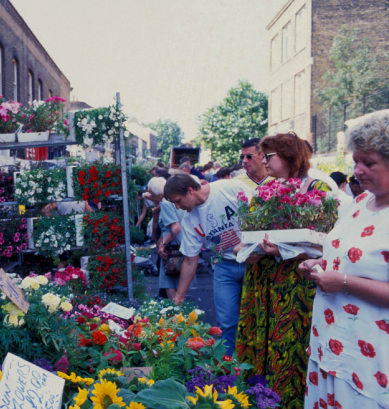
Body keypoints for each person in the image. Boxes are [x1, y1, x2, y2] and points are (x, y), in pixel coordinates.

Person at [234, 132, 332, 408]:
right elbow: (244, 237)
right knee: (258, 341)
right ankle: (255, 399)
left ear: (290, 155)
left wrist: (284, 251)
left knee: (289, 345)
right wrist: (245, 252)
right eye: (262, 156)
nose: (263, 161)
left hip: (294, 285)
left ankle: (288, 402)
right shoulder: (264, 191)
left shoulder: (318, 190)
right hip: (261, 283)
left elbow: (327, 245)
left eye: (269, 156)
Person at [299, 110, 389, 409]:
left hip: (373, 356)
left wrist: (345, 282)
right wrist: (319, 265)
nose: (358, 170)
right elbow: (342, 256)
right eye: (356, 161)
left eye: (369, 162)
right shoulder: (359, 203)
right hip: (332, 341)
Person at [164, 173, 251, 354]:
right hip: (224, 266)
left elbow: (261, 214)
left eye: (178, 201)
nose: (178, 207)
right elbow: (190, 260)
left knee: (254, 318)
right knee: (226, 322)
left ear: (190, 190)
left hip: (254, 262)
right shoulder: (189, 220)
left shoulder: (229, 189)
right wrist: (178, 298)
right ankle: (229, 367)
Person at [146, 176, 186, 302]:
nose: (151, 198)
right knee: (179, 286)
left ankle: (177, 316)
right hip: (181, 246)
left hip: (172, 249)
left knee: (169, 285)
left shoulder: (167, 203)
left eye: (152, 194)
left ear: (158, 193)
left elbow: (175, 228)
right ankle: (182, 316)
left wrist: (162, 244)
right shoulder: (174, 200)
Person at [42, 200, 92, 269]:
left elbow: (45, 210)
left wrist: (57, 219)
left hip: (65, 232)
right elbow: (90, 212)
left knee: (63, 260)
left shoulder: (60, 200)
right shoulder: (81, 199)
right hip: (80, 231)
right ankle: (84, 277)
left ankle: (59, 279)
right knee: (84, 258)